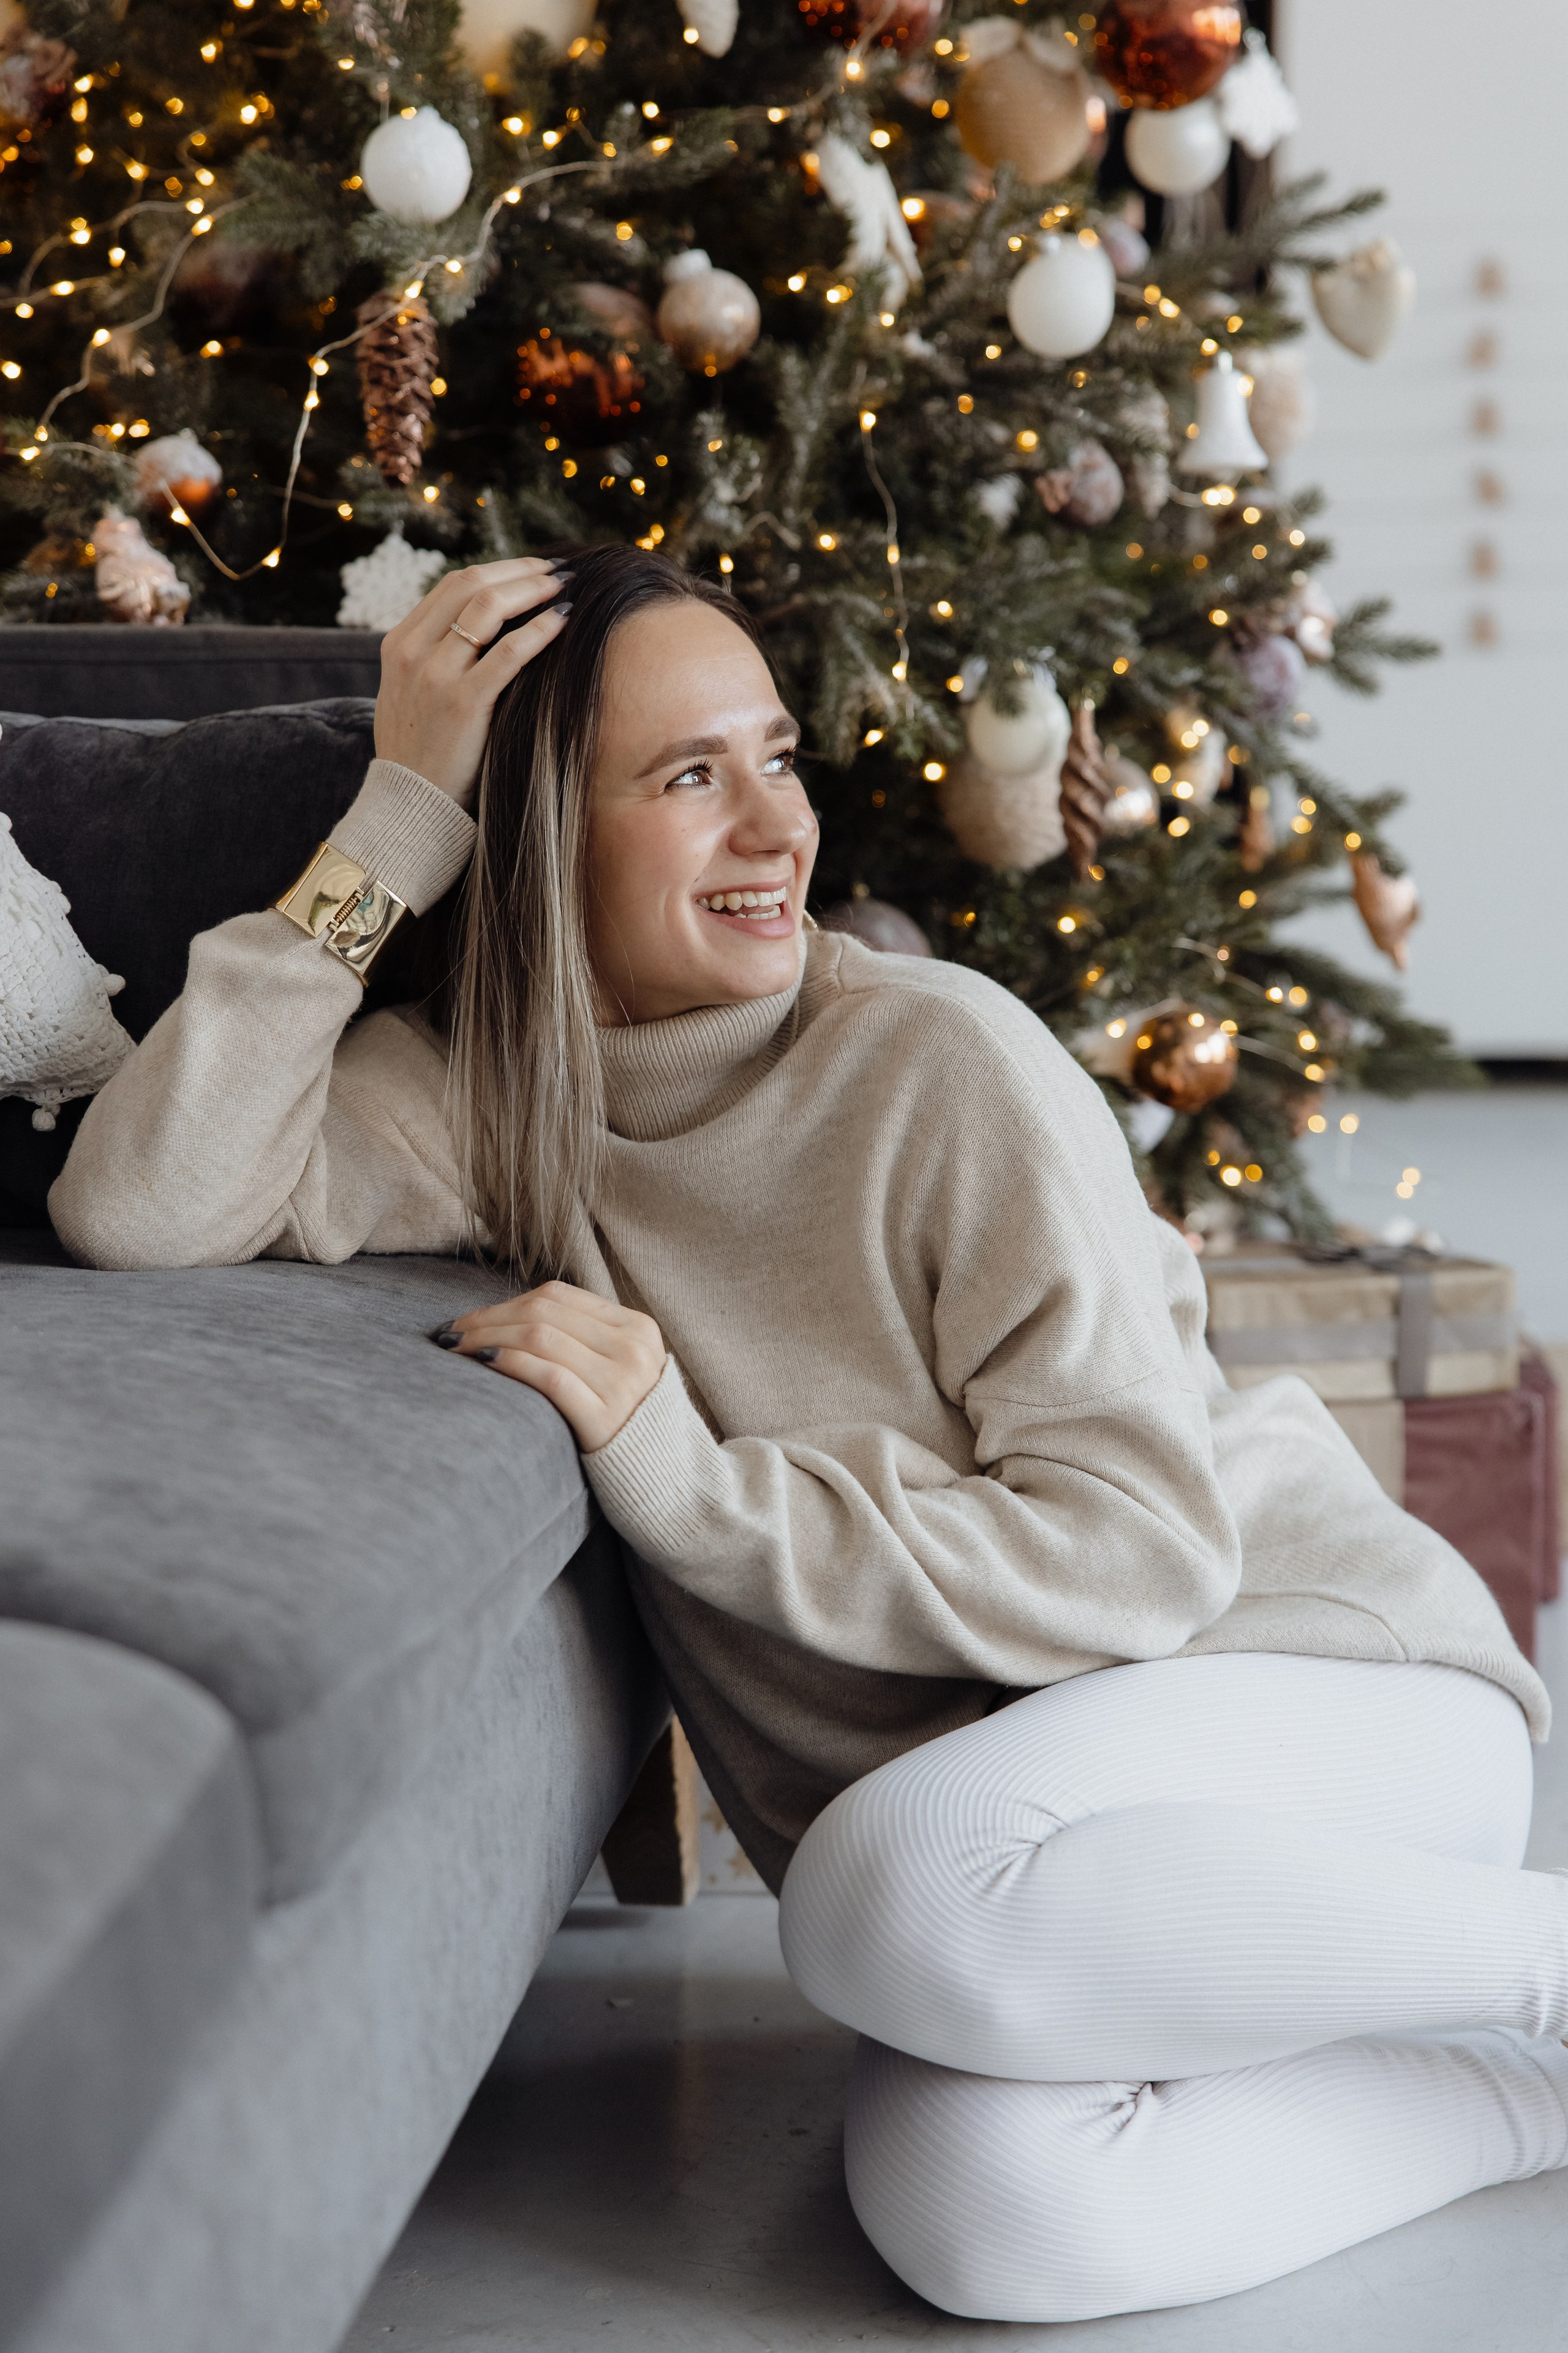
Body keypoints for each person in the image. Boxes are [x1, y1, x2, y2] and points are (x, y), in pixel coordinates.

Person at [51, 545, 1568, 2324]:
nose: (778, 831)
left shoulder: (942, 1061)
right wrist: (399, 815)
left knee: (882, 1887)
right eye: (692, 778)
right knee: (985, 2214)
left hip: (1318, 1690)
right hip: (1045, 1850)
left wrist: (692, 1483)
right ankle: (1524, 2091)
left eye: (777, 756)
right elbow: (143, 1208)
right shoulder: (486, 1096)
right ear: (541, 829)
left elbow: (1145, 1551)